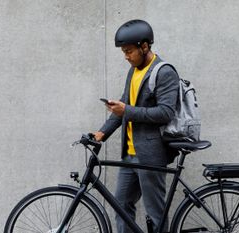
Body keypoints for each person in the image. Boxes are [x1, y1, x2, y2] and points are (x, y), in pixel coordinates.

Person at [92, 19, 179, 233]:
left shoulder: (164, 71)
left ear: (145, 46)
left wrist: (127, 111)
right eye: (124, 52)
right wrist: (102, 133)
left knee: (155, 212)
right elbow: (124, 105)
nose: (126, 56)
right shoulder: (133, 71)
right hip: (129, 155)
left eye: (129, 51)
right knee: (121, 205)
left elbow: (166, 112)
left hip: (150, 154)